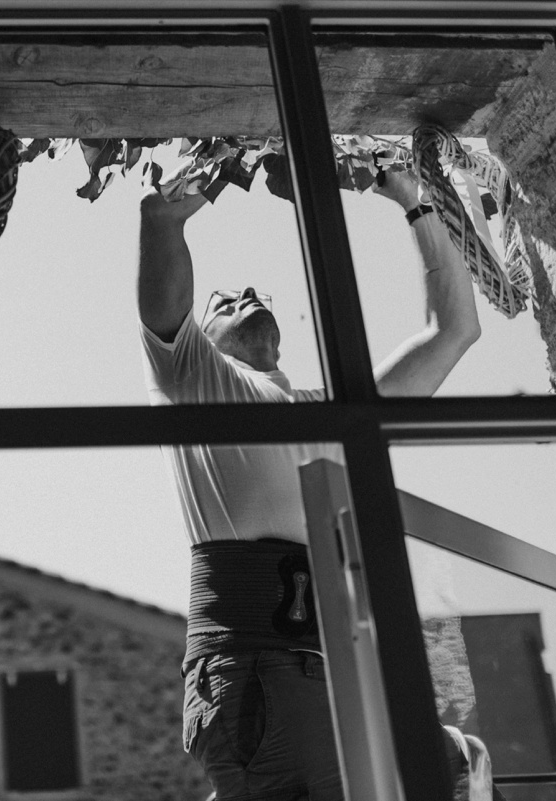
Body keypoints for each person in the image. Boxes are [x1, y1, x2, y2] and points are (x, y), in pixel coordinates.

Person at [137, 166, 485, 801]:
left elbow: (454, 331)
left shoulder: (334, 412)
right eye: (221, 302)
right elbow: (163, 308)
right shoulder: (197, 382)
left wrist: (416, 204)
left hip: (339, 671)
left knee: (460, 767)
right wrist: (163, 223)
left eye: (250, 291)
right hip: (260, 669)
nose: (243, 292)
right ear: (202, 341)